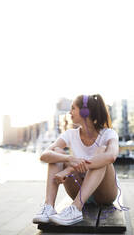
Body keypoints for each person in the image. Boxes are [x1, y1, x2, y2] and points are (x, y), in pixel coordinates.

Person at [33, 94, 119, 226]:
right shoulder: (70, 134)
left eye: (73, 108)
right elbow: (44, 155)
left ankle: (76, 209)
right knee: (56, 152)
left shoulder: (108, 133)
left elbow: (111, 156)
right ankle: (48, 207)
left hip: (104, 193)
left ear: (85, 111)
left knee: (102, 151)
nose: (69, 112)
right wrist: (69, 158)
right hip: (78, 189)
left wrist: (69, 169)